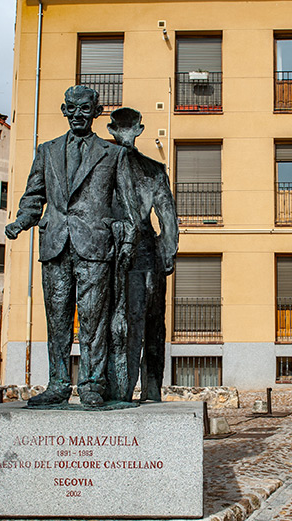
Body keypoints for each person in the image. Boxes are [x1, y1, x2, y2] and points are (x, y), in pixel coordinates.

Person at [5, 85, 137, 407]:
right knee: (58, 320)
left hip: (95, 246)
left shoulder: (114, 154)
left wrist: (128, 238)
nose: (78, 114)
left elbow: (129, 205)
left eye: (85, 109)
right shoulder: (46, 151)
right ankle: (58, 384)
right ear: (64, 110)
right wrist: (21, 221)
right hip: (55, 244)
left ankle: (92, 385)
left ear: (96, 112)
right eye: (72, 108)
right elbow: (34, 195)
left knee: (94, 320)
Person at [106, 107, 179, 402]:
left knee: (132, 321)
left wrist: (165, 253)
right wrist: (167, 253)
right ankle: (144, 388)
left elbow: (168, 219)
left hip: (126, 252)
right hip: (137, 251)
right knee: (146, 323)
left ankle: (127, 389)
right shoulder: (152, 170)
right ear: (139, 129)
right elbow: (169, 221)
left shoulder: (106, 166)